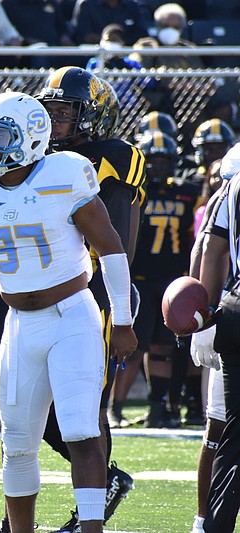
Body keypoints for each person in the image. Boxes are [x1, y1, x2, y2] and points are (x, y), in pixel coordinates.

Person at [0, 91, 137, 533]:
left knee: (81, 431)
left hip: (73, 316)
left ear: (30, 138)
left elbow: (112, 249)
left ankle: (92, 528)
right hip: (19, 324)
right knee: (18, 443)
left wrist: (122, 320)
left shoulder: (65, 174)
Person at [129, 131, 199, 428]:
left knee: (171, 346)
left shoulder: (187, 193)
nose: (157, 167)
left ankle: (171, 405)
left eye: (163, 161)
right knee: (141, 347)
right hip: (143, 279)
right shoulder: (134, 192)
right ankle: (122, 407)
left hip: (174, 280)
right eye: (152, 161)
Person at [187, 144, 235, 533]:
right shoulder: (229, 188)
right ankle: (205, 520)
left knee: (221, 428)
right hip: (230, 312)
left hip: (230, 312)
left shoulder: (229, 189)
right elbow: (207, 247)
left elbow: (206, 247)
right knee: (219, 426)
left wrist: (202, 319)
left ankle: (206, 522)